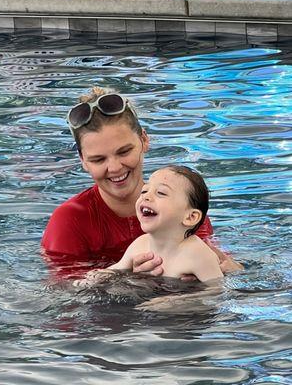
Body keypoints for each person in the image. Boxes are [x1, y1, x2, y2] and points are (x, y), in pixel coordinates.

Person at [41, 87, 242, 278]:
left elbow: (216, 267)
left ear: (144, 140)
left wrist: (233, 270)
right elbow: (64, 294)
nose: (115, 168)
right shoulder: (69, 221)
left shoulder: (181, 204)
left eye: (124, 151)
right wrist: (129, 279)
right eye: (98, 159)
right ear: (83, 160)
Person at [79, 165, 224, 284]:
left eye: (161, 193)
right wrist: (95, 278)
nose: (146, 196)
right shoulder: (140, 244)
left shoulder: (198, 255)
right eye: (145, 190)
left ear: (191, 217)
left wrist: (178, 302)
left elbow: (216, 292)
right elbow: (118, 269)